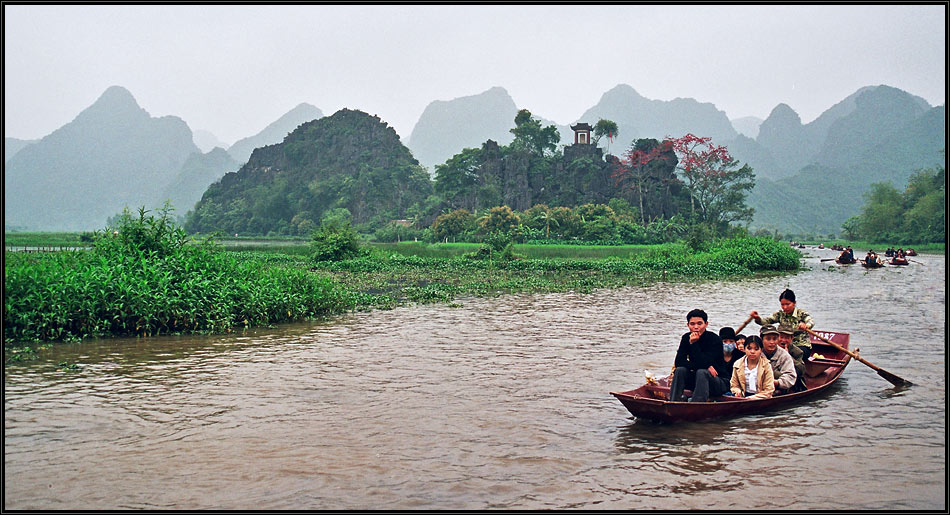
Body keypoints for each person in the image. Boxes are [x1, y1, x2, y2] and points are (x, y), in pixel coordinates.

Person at [669, 309, 727, 402]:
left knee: (702, 372)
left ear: (706, 324)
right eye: (692, 324)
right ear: (688, 325)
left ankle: (696, 404)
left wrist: (694, 344)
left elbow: (706, 361)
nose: (696, 327)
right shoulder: (686, 338)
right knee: (680, 370)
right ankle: (673, 401)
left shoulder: (715, 339)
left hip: (717, 381)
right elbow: (679, 362)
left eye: (699, 324)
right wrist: (705, 366)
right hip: (696, 380)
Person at [749, 288, 815, 356]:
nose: (785, 307)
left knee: (792, 354)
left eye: (788, 304)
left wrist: (806, 325)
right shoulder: (780, 314)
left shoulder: (801, 313)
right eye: (782, 305)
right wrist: (757, 318)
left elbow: (810, 321)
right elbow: (766, 321)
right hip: (783, 345)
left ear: (794, 303)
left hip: (801, 345)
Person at [730, 335, 775, 399]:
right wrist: (737, 391)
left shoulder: (766, 365)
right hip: (743, 397)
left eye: (756, 349)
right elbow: (734, 385)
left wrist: (752, 398)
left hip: (761, 398)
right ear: (744, 349)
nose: (752, 352)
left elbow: (769, 390)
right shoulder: (738, 364)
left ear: (761, 350)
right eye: (749, 348)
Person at [758, 324, 797, 393]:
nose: (772, 342)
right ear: (761, 340)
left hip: (778, 388)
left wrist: (777, 382)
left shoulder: (784, 355)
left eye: (774, 339)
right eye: (768, 339)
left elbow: (790, 376)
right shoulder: (755, 353)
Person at [778, 324, 807, 392]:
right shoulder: (771, 348)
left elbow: (801, 370)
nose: (783, 340)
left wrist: (788, 356)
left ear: (792, 339)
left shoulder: (797, 352)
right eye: (781, 337)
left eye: (787, 338)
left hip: (789, 380)